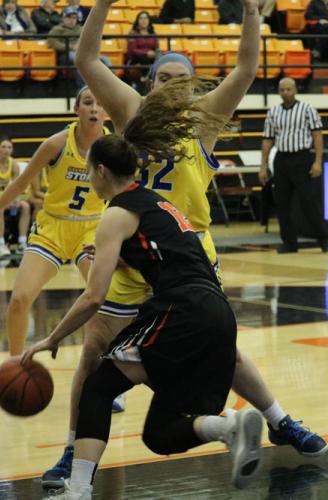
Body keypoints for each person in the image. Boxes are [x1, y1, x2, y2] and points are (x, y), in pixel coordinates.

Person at [41, 0, 328, 489]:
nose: (171, 84)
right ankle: (74, 450)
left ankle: (279, 420)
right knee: (94, 351)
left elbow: (245, 68)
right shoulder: (129, 110)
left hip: (187, 256)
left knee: (226, 351)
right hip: (132, 254)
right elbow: (87, 60)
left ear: (193, 84)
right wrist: (104, 5)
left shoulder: (207, 118)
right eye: (162, 77)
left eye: (181, 77)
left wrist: (254, 14)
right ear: (149, 82)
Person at [21, 108, 264, 497]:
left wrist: (52, 339)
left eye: (89, 170)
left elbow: (93, 297)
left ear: (101, 172)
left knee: (98, 387)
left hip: (181, 310)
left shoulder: (116, 213)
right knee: (160, 434)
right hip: (217, 314)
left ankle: (78, 489)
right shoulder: (156, 204)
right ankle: (228, 427)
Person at [0, 87, 108, 356]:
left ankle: (105, 374)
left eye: (99, 103)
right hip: (52, 228)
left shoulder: (112, 147)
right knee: (20, 299)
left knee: (106, 303)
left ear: (107, 111)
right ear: (76, 109)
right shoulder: (56, 144)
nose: (94, 108)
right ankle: (16, 366)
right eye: (87, 102)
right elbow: (21, 183)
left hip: (92, 229)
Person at [259, 78, 328, 254]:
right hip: (281, 160)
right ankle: (290, 243)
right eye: (282, 89)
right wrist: (263, 166)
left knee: (308, 201)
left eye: (288, 89)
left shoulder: (307, 109)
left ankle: (323, 239)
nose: (285, 92)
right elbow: (267, 140)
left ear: (295, 90)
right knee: (282, 204)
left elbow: (317, 136)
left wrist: (317, 161)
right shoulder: (273, 112)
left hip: (302, 158)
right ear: (278, 91)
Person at [0, 137, 30, 257]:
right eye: (3, 147)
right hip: (2, 197)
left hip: (7, 195)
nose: (6, 150)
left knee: (26, 206)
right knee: (0, 208)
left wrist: (15, 199)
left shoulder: (14, 165)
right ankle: (1, 243)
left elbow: (16, 186)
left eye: (9, 147)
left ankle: (22, 242)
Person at [125, 11, 158, 85]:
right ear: (137, 21)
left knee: (158, 58)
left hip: (151, 59)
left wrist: (154, 54)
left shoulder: (153, 34)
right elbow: (132, 51)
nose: (144, 20)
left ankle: (147, 77)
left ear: (149, 21)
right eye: (141, 18)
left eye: (146, 18)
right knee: (144, 58)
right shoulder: (133, 33)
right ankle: (146, 77)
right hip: (136, 59)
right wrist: (146, 53)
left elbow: (156, 49)